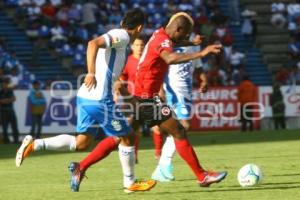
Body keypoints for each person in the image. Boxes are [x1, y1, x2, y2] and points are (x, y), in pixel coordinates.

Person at [74, 12, 227, 190]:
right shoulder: (163, 42)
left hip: (139, 96)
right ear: (178, 29)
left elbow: (172, 43)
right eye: (184, 34)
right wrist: (201, 53)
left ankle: (81, 166)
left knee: (121, 137)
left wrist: (191, 43)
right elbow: (169, 58)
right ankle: (202, 176)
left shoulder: (159, 34)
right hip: (146, 99)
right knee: (178, 131)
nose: (184, 37)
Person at [16, 8, 155, 193]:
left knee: (81, 143)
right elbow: (92, 44)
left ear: (123, 22)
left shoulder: (119, 39)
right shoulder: (121, 35)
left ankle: (35, 144)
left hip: (86, 96)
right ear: (139, 28)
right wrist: (90, 72)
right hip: (99, 99)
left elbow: (107, 65)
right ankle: (130, 183)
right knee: (128, 136)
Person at [151, 45, 208, 182]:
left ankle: (163, 167)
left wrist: (204, 80)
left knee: (177, 129)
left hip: (185, 91)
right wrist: (160, 89)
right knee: (183, 126)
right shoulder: (170, 45)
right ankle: (163, 166)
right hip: (173, 91)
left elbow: (198, 66)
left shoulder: (194, 45)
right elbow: (159, 67)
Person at [0, 77, 19, 144]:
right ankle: (6, 141)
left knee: (14, 126)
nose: (4, 85)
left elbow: (14, 99)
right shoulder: (1, 92)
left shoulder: (10, 91)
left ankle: (16, 140)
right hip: (3, 111)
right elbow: (1, 101)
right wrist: (8, 100)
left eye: (5, 83)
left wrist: (5, 101)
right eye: (3, 83)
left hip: (11, 110)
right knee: (5, 127)